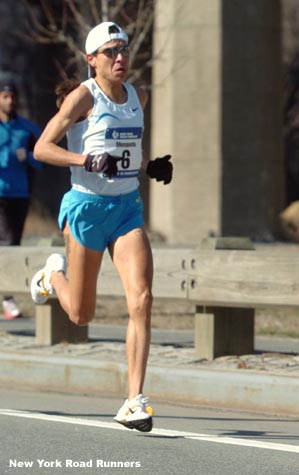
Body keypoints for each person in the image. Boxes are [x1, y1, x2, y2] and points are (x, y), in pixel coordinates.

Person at [29, 21, 173, 432]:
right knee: (80, 314)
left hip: (126, 208)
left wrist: (150, 166)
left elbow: (128, 150)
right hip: (86, 208)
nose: (120, 57)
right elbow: (42, 147)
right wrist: (85, 161)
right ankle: (51, 275)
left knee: (142, 299)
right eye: (110, 52)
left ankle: (134, 400)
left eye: (123, 49)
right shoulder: (83, 98)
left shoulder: (138, 96)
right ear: (92, 60)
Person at [0, 79, 43, 320]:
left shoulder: (27, 129)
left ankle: (7, 296)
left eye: (12, 96)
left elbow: (42, 157)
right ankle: (8, 299)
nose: (9, 101)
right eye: (5, 96)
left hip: (20, 194)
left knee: (12, 244)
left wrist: (27, 155)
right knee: (6, 242)